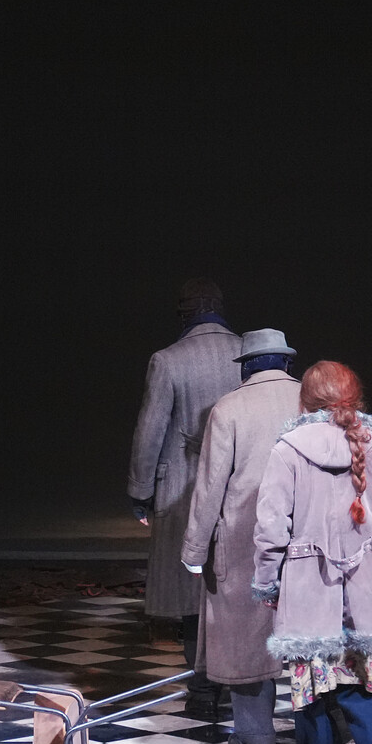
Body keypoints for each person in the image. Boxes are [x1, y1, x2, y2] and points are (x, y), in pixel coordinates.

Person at [252, 360, 372, 744]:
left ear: (304, 400)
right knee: (367, 681)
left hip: (310, 588)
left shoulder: (288, 449)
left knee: (314, 688)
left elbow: (270, 529)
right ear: (355, 398)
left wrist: (268, 583)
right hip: (369, 586)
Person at [179, 329, 302, 744]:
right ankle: (325, 726)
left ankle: (255, 732)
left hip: (244, 537)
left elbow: (211, 484)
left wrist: (194, 550)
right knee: (313, 633)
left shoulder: (229, 407)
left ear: (248, 365)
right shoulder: (312, 402)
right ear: (285, 362)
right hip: (305, 536)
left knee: (244, 635)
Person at [127, 278, 241, 720]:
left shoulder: (168, 360)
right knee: (231, 588)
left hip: (182, 484)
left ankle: (202, 688)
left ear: (183, 315)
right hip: (237, 483)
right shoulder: (247, 354)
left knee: (190, 591)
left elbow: (150, 430)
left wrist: (139, 490)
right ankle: (237, 683)